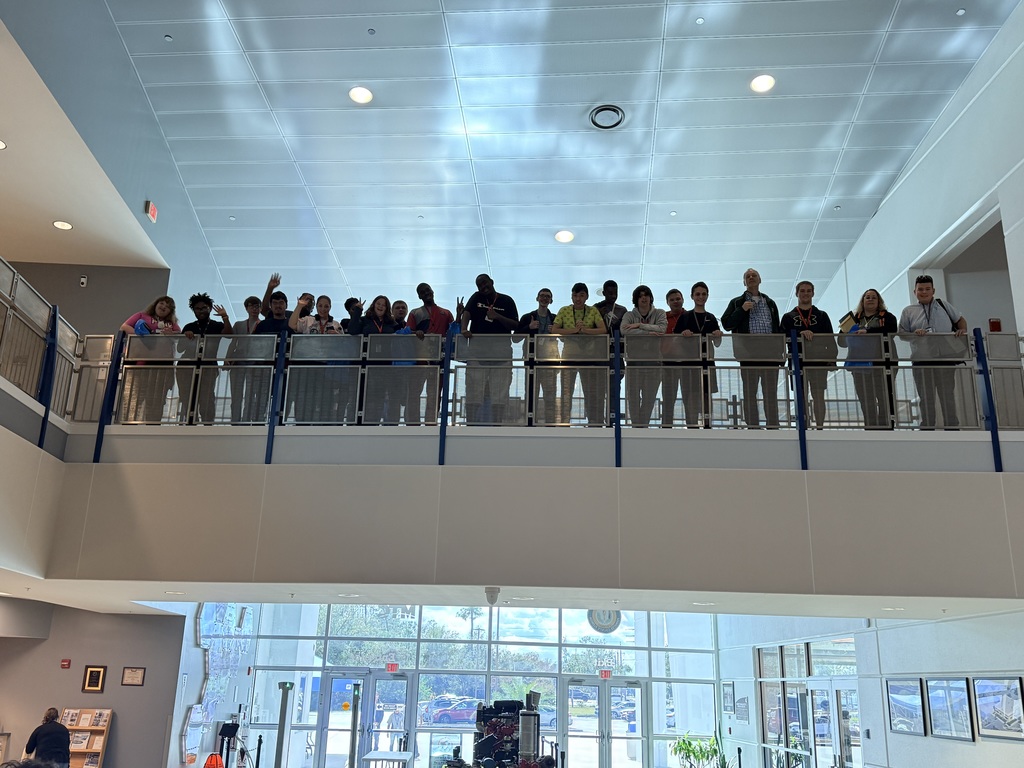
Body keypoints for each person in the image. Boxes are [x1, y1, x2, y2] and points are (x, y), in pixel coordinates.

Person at [898, 274, 968, 429]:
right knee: (926, 396)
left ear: (933, 290)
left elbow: (960, 320)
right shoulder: (908, 311)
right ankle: (927, 426)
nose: (924, 292)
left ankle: (952, 426)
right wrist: (914, 334)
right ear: (914, 291)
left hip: (945, 358)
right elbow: (901, 334)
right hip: (921, 359)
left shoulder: (943, 305)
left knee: (947, 395)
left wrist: (962, 331)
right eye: (920, 289)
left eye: (927, 289)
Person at [722, 268, 783, 428]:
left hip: (770, 352)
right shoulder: (737, 302)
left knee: (770, 392)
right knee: (750, 391)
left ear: (760, 280)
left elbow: (776, 326)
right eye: (747, 276)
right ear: (744, 282)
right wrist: (742, 310)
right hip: (748, 352)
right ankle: (753, 425)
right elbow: (726, 323)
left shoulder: (770, 302)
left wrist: (779, 352)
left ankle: (773, 425)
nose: (751, 277)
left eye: (754, 275)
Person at [460, 274, 520, 425]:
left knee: (499, 393)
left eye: (485, 283)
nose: (482, 286)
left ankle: (497, 425)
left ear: (492, 282)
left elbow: (515, 325)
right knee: (474, 391)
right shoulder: (476, 297)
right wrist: (463, 328)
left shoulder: (507, 300)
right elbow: (466, 313)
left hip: (502, 356)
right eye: (479, 285)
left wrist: (497, 316)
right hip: (477, 354)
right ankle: (471, 424)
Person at [781, 281, 837, 429]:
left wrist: (832, 361)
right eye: (802, 291)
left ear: (813, 293)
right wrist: (800, 333)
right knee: (801, 395)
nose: (805, 293)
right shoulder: (788, 317)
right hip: (797, 362)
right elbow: (781, 337)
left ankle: (819, 427)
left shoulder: (822, 316)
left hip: (818, 361)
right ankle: (803, 427)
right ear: (796, 293)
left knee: (818, 395)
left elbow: (830, 339)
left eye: (808, 291)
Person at [119, 295, 181, 423]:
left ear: (171, 311)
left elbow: (178, 338)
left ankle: (152, 425)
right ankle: (129, 425)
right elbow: (124, 327)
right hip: (138, 364)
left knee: (156, 400)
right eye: (162, 303)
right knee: (133, 397)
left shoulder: (172, 324)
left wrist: (170, 334)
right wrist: (141, 335)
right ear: (156, 304)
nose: (164, 307)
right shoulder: (141, 316)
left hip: (161, 367)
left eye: (168, 306)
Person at [841, 288, 897, 428]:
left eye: (874, 297)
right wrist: (844, 330)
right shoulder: (854, 318)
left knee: (884, 397)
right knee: (866, 399)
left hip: (883, 364)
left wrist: (868, 331)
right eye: (867, 297)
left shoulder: (887, 317)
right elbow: (841, 342)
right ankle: (870, 427)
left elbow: (891, 331)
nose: (870, 299)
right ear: (862, 301)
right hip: (859, 366)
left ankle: (886, 427)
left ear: (879, 301)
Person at [552, 283, 607, 426]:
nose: (578, 299)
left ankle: (593, 422)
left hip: (589, 357)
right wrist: (575, 330)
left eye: (581, 295)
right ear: (571, 296)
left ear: (587, 296)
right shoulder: (564, 310)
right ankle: (564, 422)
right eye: (575, 295)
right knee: (566, 392)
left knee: (590, 392)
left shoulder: (593, 311)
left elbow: (603, 329)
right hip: (569, 357)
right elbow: (555, 329)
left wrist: (586, 331)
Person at [673, 281, 723, 427]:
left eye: (703, 294)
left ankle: (707, 426)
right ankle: (692, 426)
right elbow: (675, 340)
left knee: (707, 395)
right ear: (692, 296)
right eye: (697, 294)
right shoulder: (685, 316)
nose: (701, 297)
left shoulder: (711, 317)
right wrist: (683, 334)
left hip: (707, 361)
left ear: (707, 296)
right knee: (691, 395)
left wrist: (718, 335)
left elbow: (717, 344)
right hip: (689, 362)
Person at [289, 294, 345, 423]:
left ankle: (322, 424)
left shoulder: (336, 324)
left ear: (330, 307)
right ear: (316, 307)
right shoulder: (308, 320)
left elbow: (344, 345)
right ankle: (301, 423)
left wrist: (338, 336)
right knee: (304, 396)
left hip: (326, 366)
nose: (323, 309)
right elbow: (292, 324)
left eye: (326, 306)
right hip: (307, 365)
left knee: (323, 397)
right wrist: (299, 307)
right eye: (320, 305)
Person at [178, 292, 232, 424]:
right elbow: (179, 349)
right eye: (197, 308)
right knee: (187, 397)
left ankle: (208, 425)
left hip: (208, 366)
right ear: (194, 310)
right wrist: (186, 335)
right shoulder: (189, 326)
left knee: (206, 397)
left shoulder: (216, 325)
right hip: (186, 367)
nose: (201, 311)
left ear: (209, 308)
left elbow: (229, 334)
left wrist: (225, 317)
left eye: (204, 308)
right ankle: (190, 424)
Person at [403, 284, 453, 426]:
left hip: (440, 358)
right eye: (422, 292)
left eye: (428, 290)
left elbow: (453, 332)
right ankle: (412, 424)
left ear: (432, 291)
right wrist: (417, 333)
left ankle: (430, 423)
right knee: (414, 391)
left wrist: (460, 315)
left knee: (435, 393)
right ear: (419, 296)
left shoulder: (446, 313)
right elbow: (408, 332)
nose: (426, 293)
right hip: (421, 358)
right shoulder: (415, 313)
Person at [349, 296, 401, 424]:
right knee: (362, 394)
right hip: (365, 363)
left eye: (384, 305)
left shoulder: (392, 324)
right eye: (378, 303)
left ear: (387, 308)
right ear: (373, 305)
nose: (380, 306)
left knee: (379, 396)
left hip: (384, 365)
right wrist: (357, 311)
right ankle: (356, 424)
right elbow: (353, 330)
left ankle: (374, 423)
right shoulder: (365, 320)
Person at [621, 285, 667, 427]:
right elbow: (624, 331)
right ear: (636, 299)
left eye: (646, 295)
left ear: (650, 297)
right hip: (634, 363)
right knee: (633, 398)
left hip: (654, 363)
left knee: (649, 398)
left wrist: (639, 325)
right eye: (640, 296)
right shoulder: (629, 315)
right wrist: (648, 333)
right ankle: (636, 426)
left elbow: (662, 329)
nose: (644, 298)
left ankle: (643, 426)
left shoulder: (659, 313)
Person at [518, 288, 558, 424]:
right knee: (530, 394)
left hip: (549, 362)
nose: (544, 298)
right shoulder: (527, 317)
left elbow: (564, 338)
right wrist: (528, 327)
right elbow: (515, 339)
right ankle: (529, 425)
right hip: (531, 362)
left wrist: (556, 331)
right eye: (542, 296)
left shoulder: (555, 318)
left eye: (548, 296)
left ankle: (550, 425)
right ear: (537, 298)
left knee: (550, 396)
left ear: (551, 300)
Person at [227, 296, 264, 424]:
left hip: (254, 363)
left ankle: (246, 420)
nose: (254, 309)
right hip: (238, 361)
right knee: (236, 395)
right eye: (251, 306)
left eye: (257, 306)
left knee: (250, 395)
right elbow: (233, 342)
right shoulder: (239, 325)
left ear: (260, 308)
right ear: (246, 308)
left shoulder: (262, 325)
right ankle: (235, 421)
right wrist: (227, 358)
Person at [661, 288, 686, 427]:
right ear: (667, 302)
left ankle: (693, 428)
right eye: (672, 300)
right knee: (669, 398)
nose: (675, 301)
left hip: (687, 363)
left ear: (683, 299)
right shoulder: (662, 318)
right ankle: (666, 428)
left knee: (689, 397)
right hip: (668, 363)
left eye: (678, 299)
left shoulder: (690, 316)